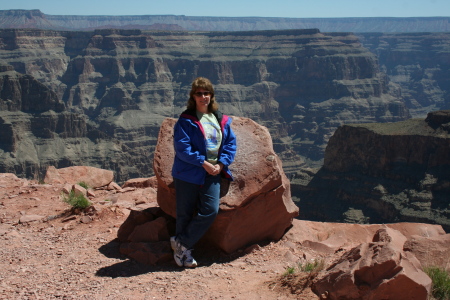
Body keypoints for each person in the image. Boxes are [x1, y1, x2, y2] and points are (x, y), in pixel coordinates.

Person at [170, 77, 237, 267]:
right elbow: (182, 149)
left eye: (206, 93)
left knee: (210, 210)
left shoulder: (219, 119)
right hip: (188, 173)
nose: (203, 97)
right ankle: (186, 253)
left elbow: (230, 144)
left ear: (211, 96)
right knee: (184, 213)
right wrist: (203, 163)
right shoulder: (186, 120)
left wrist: (222, 164)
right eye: (199, 93)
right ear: (193, 96)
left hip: (213, 172)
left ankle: (181, 243)